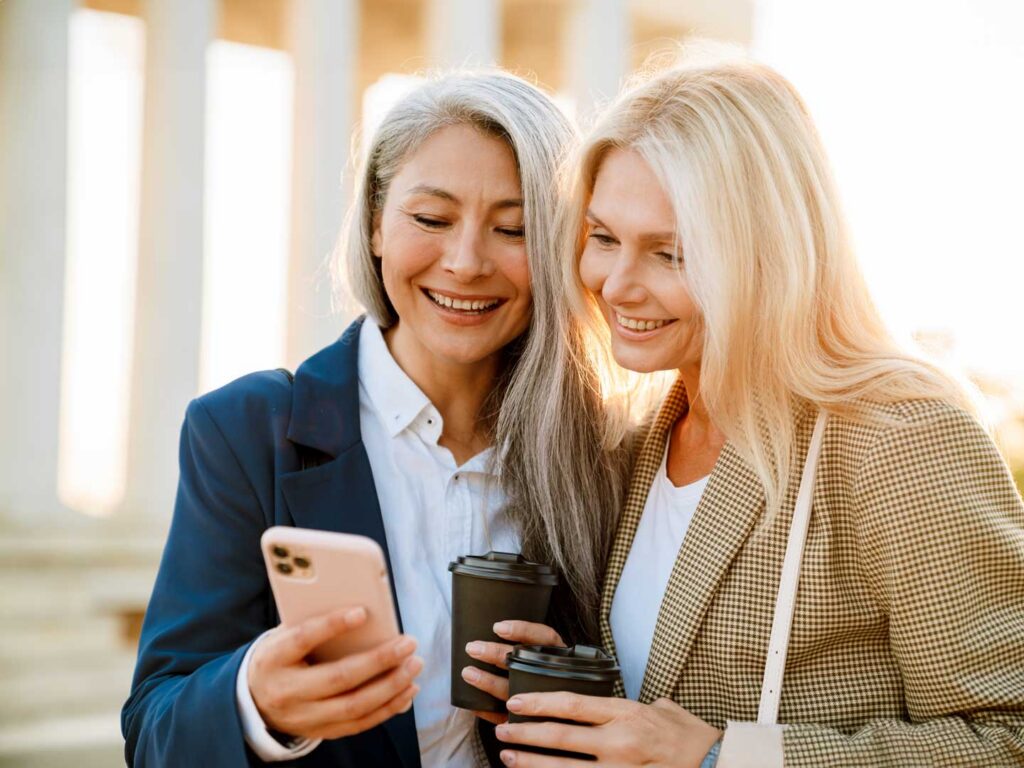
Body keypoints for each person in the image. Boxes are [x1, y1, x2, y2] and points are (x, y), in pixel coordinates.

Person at [463, 54, 1024, 767]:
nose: (618, 286)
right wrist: (579, 681)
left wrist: (723, 759)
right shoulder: (636, 446)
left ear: (765, 254)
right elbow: (669, 691)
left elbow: (1011, 734)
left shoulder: (900, 440)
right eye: (603, 239)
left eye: (671, 253)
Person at [121, 70, 628, 768]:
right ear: (374, 226)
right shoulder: (245, 431)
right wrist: (254, 699)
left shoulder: (602, 452)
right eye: (431, 219)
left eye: (513, 228)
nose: (466, 261)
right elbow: (154, 730)